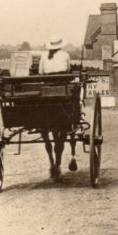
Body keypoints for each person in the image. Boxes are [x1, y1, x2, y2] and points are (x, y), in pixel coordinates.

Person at [38, 35, 72, 181]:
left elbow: (40, 72)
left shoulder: (44, 55)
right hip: (62, 93)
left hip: (46, 92)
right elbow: (69, 70)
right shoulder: (65, 55)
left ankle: (52, 162)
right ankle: (57, 164)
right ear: (60, 45)